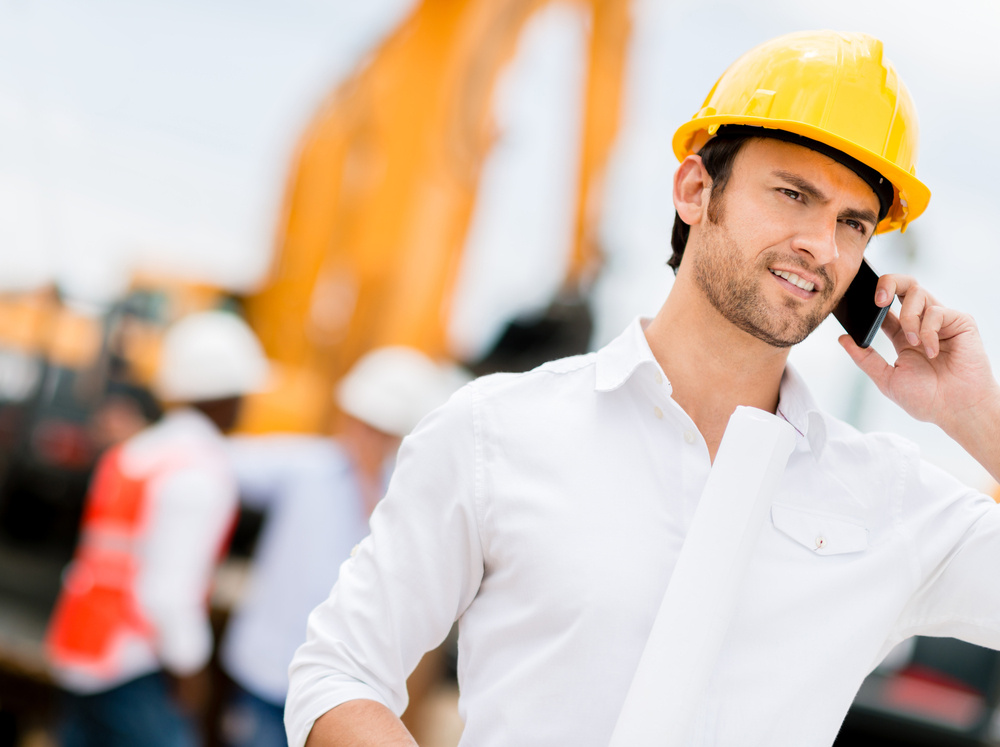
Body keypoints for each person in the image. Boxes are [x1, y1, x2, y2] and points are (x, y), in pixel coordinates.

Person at [284, 30, 1000, 747]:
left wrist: (975, 413)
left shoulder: (890, 500)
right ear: (695, 190)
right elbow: (339, 672)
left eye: (853, 223)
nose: (824, 245)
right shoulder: (495, 432)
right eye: (792, 194)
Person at [217, 347, 466, 747]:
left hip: (340, 698)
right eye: (363, 424)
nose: (365, 437)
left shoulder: (403, 498)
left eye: (380, 429)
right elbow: (219, 462)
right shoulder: (307, 467)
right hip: (268, 673)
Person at [45, 310, 270, 747]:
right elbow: (167, 593)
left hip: (83, 649)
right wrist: (191, 669)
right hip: (133, 663)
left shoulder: (134, 453)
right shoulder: (201, 470)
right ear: (227, 395)